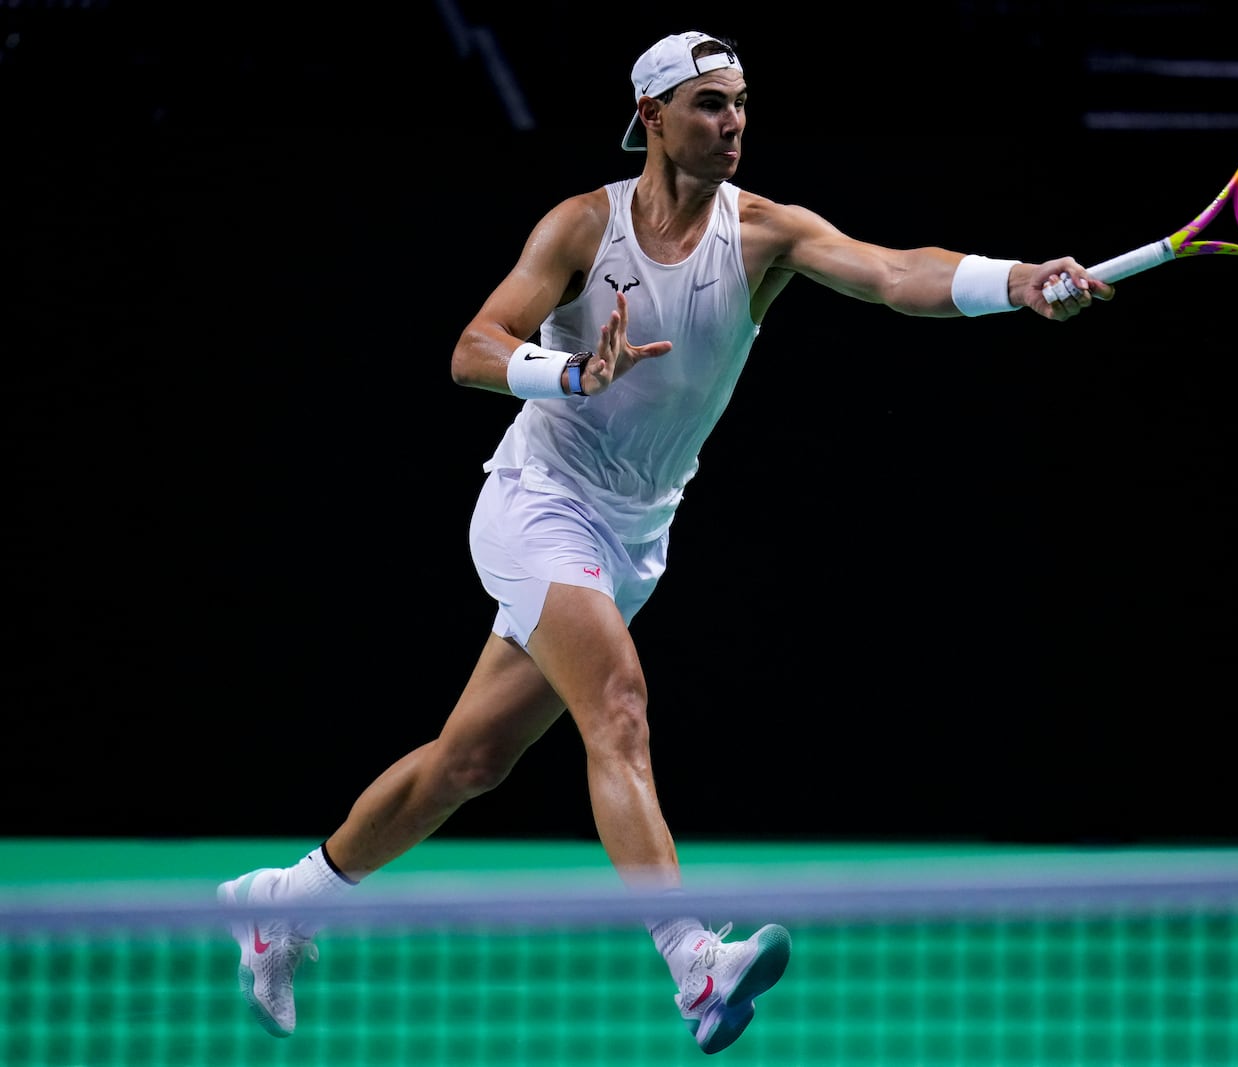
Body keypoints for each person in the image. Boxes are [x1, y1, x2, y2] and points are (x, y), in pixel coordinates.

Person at [218, 28, 1114, 1056]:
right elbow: (472, 348)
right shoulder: (580, 228)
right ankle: (695, 960)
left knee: (469, 760)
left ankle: (284, 898)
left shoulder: (765, 230)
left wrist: (1014, 280)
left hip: (635, 534)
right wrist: (568, 375)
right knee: (620, 705)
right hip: (538, 498)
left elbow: (892, 270)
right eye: (707, 104)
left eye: (739, 102)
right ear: (651, 117)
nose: (732, 123)